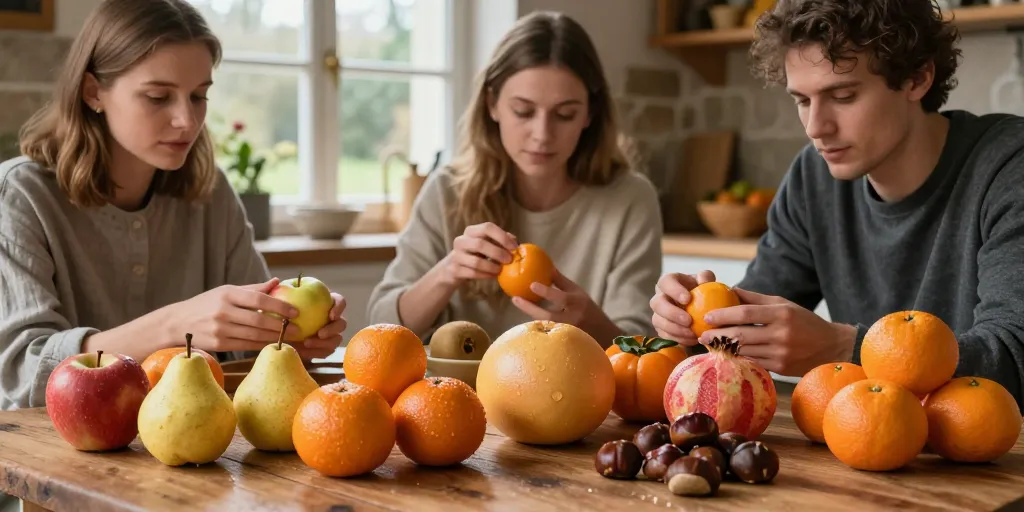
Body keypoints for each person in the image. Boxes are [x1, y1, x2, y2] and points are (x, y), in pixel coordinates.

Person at [650, 0, 1024, 408]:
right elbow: (747, 329)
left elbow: (1013, 356)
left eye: (843, 96)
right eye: (802, 100)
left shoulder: (1009, 166)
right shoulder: (813, 177)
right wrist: (691, 324)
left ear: (918, 78)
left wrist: (845, 347)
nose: (816, 127)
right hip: (868, 439)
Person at [0, 0, 348, 412]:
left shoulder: (212, 193)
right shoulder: (19, 195)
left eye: (199, 96)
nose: (187, 120)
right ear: (94, 92)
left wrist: (290, 337)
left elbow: (253, 358)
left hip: (195, 437)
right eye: (158, 97)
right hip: (45, 445)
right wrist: (174, 324)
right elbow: (22, 375)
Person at [366, 11, 663, 347]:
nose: (542, 134)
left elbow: (641, 349)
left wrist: (593, 324)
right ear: (492, 104)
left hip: (576, 383)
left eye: (565, 114)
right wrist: (446, 273)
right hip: (460, 383)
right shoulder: (447, 191)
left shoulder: (630, 199)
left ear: (589, 114)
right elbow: (380, 327)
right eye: (523, 111)